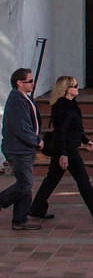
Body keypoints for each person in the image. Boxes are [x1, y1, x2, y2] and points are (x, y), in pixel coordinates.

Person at [28, 76, 93, 221]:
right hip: (66, 148)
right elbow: (61, 132)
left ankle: (36, 208)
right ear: (66, 89)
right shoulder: (63, 106)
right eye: (75, 86)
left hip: (66, 147)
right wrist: (63, 154)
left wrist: (85, 141)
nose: (77, 88)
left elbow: (75, 129)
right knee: (81, 178)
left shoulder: (71, 104)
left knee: (52, 179)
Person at [0, 68, 43, 231]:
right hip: (17, 149)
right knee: (26, 183)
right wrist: (36, 141)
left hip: (24, 149)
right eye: (29, 81)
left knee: (24, 182)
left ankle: (20, 219)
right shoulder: (17, 100)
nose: (33, 84)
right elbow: (21, 127)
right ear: (19, 83)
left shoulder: (23, 98)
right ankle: (2, 201)